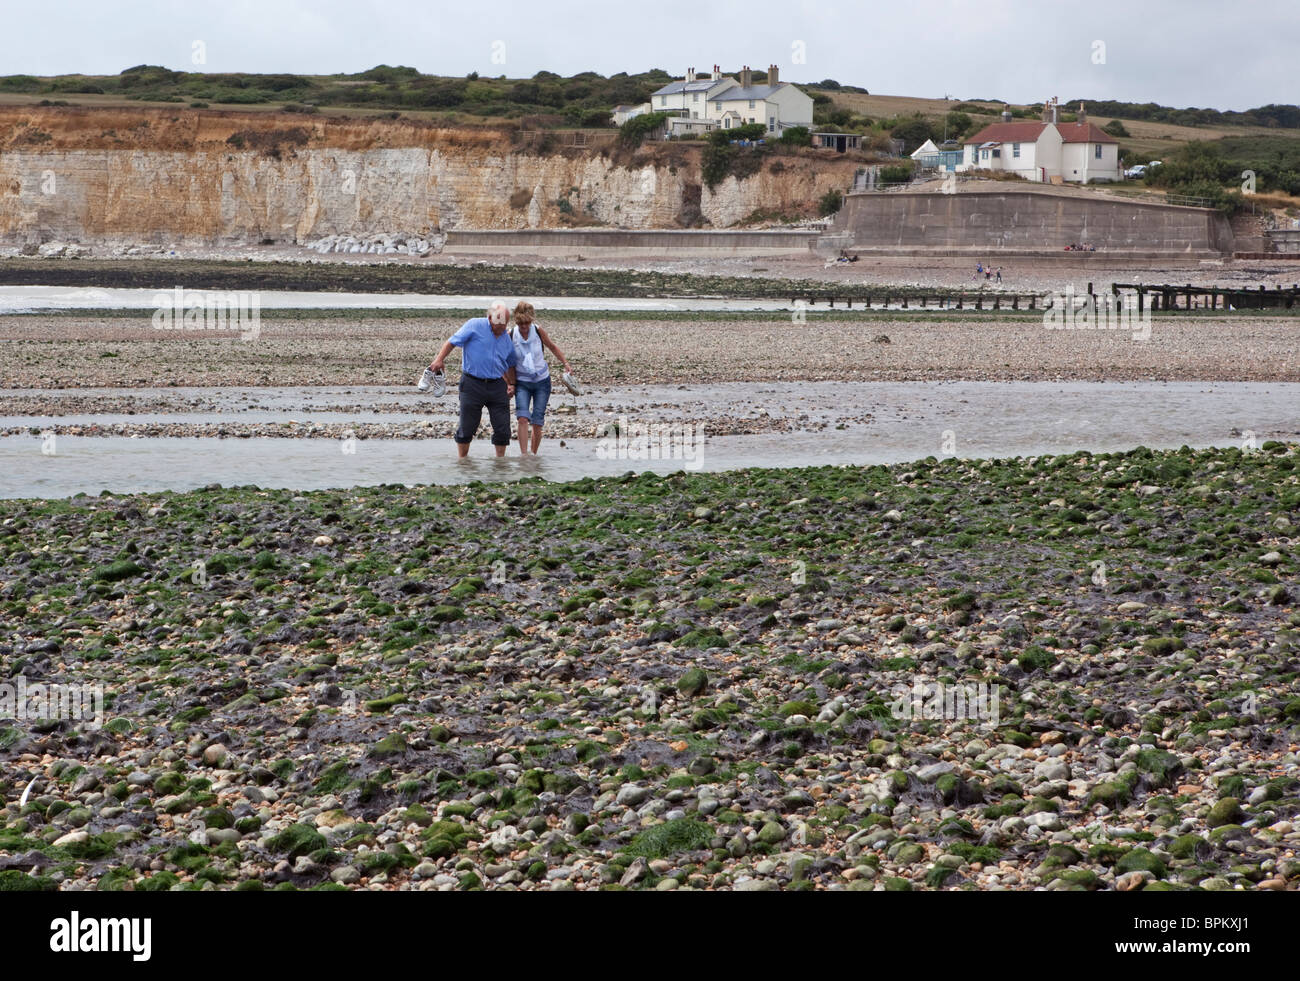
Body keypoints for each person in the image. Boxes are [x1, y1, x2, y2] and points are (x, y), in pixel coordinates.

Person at [428, 301, 517, 457]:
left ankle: (500, 465)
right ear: (490, 318)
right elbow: (452, 342)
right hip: (472, 384)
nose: (502, 328)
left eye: (505, 324)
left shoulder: (506, 338)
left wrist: (512, 384)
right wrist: (439, 359)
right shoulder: (475, 325)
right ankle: (463, 462)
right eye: (499, 324)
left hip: (497, 386)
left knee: (503, 429)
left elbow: (510, 363)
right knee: (467, 427)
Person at [508, 300, 571, 455]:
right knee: (522, 418)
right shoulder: (511, 334)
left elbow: (552, 347)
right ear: (517, 321)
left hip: (542, 381)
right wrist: (509, 383)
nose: (524, 327)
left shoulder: (537, 331)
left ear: (531, 320)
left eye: (527, 323)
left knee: (537, 421)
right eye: (521, 323)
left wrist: (565, 363)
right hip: (522, 382)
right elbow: (507, 361)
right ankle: (524, 456)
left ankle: (533, 454)